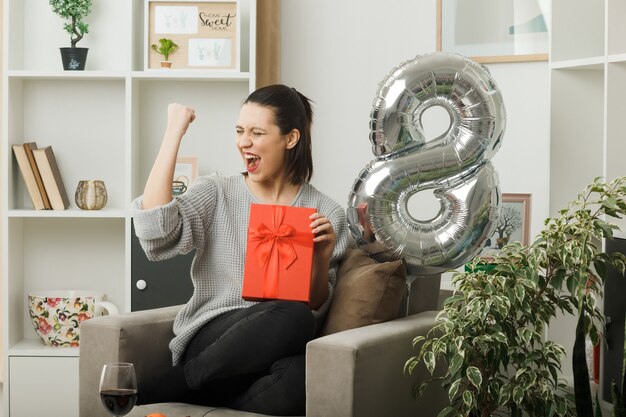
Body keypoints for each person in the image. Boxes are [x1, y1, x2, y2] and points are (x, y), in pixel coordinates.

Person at [131, 84, 349, 415]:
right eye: (239, 131)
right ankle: (174, 383)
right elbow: (154, 234)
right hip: (212, 340)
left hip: (269, 351)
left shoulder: (326, 213)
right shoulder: (217, 191)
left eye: (257, 133)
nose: (243, 142)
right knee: (291, 313)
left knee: (303, 369)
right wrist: (174, 131)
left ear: (290, 139)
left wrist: (320, 258)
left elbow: (317, 308)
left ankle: (200, 400)